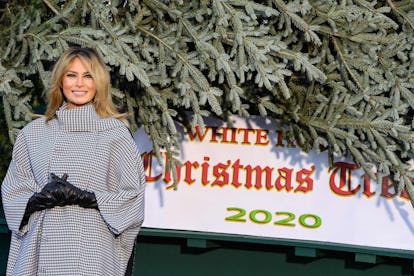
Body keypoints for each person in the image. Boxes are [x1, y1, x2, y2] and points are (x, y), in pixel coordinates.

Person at [1, 47, 146, 275]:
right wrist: (37, 199)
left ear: (99, 83)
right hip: (39, 250)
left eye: (88, 76)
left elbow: (132, 196)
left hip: (92, 251)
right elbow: (13, 191)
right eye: (72, 75)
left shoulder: (114, 133)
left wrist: (87, 198)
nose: (79, 84)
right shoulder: (34, 133)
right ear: (60, 80)